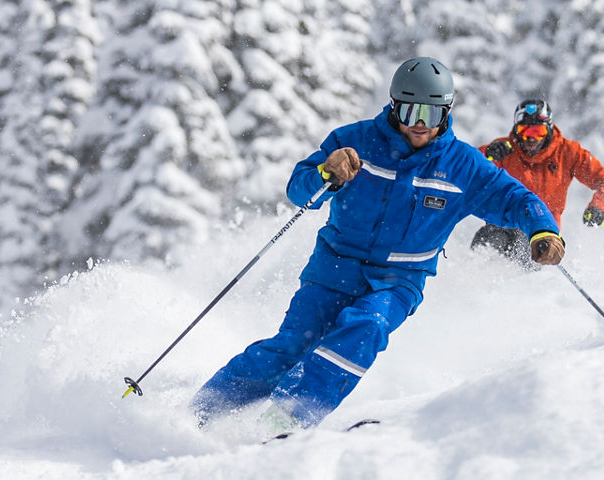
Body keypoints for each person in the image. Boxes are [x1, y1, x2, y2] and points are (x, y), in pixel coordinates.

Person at [191, 58, 565, 436]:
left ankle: (287, 419)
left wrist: (543, 231)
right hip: (333, 268)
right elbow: (298, 190)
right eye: (411, 111)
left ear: (446, 112)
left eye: (432, 113)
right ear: (393, 105)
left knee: (367, 326)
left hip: (398, 280)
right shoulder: (354, 142)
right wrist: (326, 172)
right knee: (291, 348)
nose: (421, 123)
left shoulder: (462, 166)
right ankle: (199, 413)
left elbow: (517, 199)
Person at [471, 99, 604, 270]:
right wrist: (487, 156)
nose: (531, 138)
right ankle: (476, 277)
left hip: (542, 232)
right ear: (516, 130)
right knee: (486, 240)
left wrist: (599, 207)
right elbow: (466, 169)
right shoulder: (504, 149)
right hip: (503, 225)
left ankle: (530, 280)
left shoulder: (567, 152)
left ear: (548, 128)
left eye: (538, 131)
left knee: (527, 251)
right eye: (524, 131)